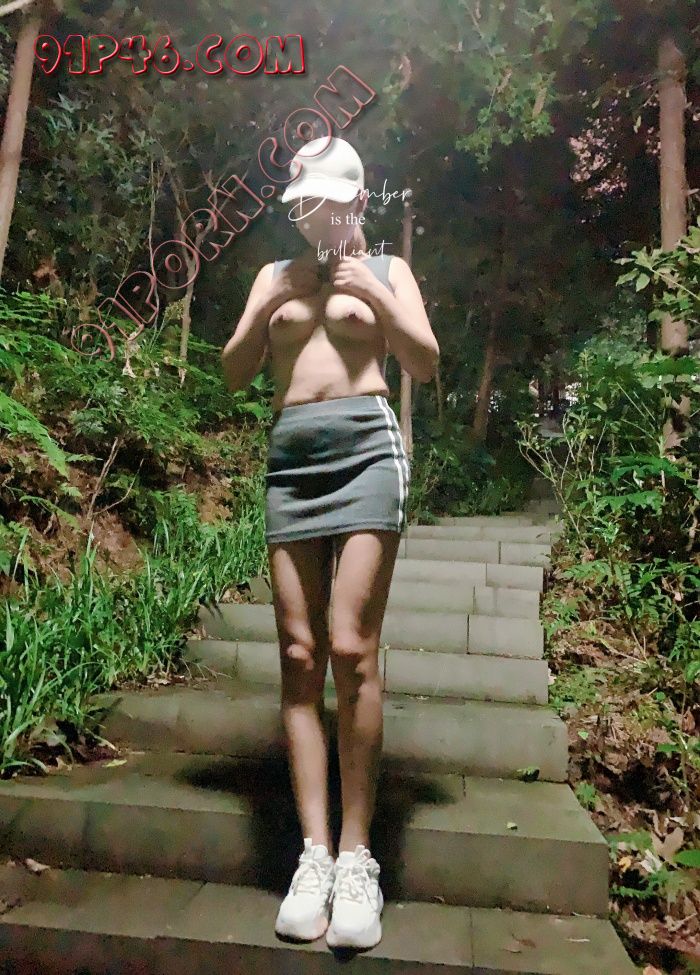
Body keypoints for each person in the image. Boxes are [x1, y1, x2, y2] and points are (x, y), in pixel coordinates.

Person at [221, 135, 439, 951]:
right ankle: (313, 854)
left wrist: (373, 296)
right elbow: (234, 372)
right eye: (302, 203)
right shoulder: (273, 276)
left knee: (352, 646)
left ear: (355, 199)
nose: (312, 214)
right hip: (291, 463)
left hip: (368, 454)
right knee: (299, 653)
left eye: (324, 201)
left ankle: (357, 856)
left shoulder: (388, 269)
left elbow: (424, 360)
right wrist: (265, 307)